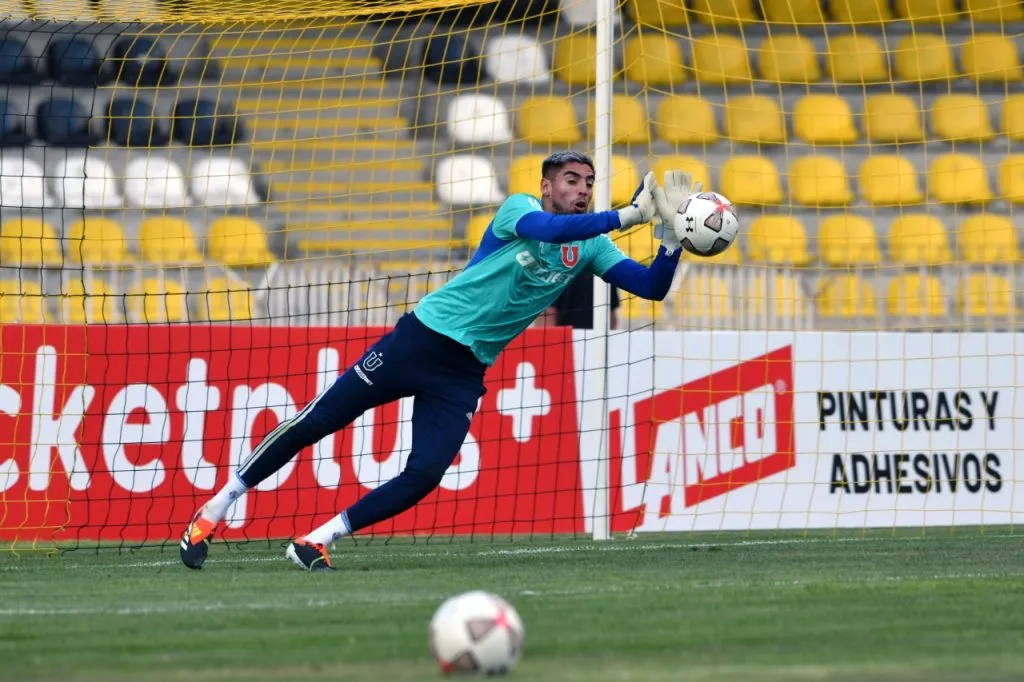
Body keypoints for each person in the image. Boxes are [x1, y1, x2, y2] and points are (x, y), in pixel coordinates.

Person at [179, 152, 698, 571]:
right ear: (546, 186)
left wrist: (670, 239)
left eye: (587, 181)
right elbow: (552, 231)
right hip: (422, 338)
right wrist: (628, 215)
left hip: (463, 372)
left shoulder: (592, 246)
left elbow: (650, 288)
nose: (581, 189)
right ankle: (219, 503)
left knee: (426, 471)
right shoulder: (520, 210)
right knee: (318, 421)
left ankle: (316, 539)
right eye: (570, 180)